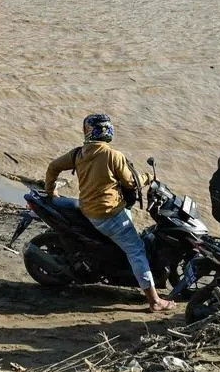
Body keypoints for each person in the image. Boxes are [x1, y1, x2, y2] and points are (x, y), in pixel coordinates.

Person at [44, 114, 172, 312]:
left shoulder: (78, 154)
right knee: (136, 250)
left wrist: (51, 190)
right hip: (109, 215)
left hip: (88, 209)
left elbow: (53, 167)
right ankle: (155, 300)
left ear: (88, 131)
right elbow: (131, 182)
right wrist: (149, 177)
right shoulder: (113, 155)